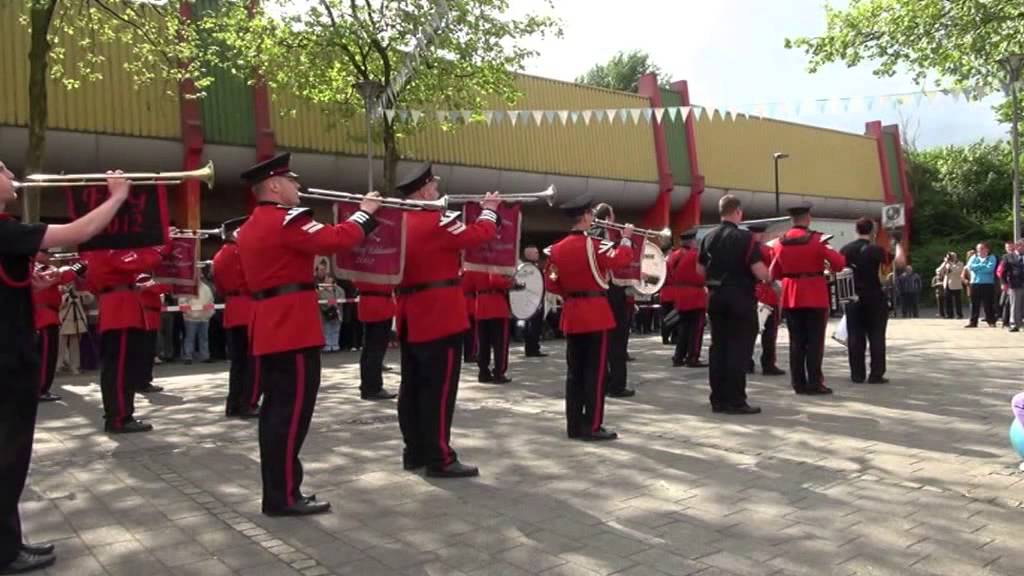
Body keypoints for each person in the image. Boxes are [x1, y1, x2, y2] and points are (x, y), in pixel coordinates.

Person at [1, 159, 131, 574]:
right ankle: (4, 551)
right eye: (2, 171)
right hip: (7, 362)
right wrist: (117, 197)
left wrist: (31, 282)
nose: (11, 177)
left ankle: (8, 542)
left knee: (10, 457)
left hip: (10, 356)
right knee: (8, 457)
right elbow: (78, 233)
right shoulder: (4, 229)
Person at [236, 152, 381, 516]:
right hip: (292, 327)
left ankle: (281, 491)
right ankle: (284, 495)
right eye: (291, 181)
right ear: (274, 185)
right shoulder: (287, 219)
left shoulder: (251, 225)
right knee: (290, 415)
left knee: (277, 413)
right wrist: (365, 212)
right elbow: (335, 239)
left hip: (271, 324)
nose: (297, 186)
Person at [393, 162, 500, 478]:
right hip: (440, 314)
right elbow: (479, 235)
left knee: (412, 386)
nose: (437, 192)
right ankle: (440, 457)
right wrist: (490, 210)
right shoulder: (437, 220)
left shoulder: (398, 223)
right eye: (434, 187)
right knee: (439, 391)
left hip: (411, 313)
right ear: (425, 191)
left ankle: (414, 451)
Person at [545, 194, 633, 440]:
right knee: (596, 373)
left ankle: (574, 425)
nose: (593, 217)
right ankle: (592, 425)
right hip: (595, 313)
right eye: (590, 213)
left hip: (572, 313)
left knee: (574, 373)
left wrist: (572, 293)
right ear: (585, 217)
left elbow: (551, 283)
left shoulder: (555, 249)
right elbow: (621, 260)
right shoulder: (596, 245)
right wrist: (626, 238)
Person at [697, 194, 770, 414]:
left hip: (715, 296)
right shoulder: (746, 238)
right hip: (740, 296)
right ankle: (736, 400)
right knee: (739, 348)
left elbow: (699, 270)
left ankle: (717, 399)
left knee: (718, 347)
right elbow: (759, 270)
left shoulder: (707, 237)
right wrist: (769, 278)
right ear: (738, 212)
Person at [84, 244, 167, 432]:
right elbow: (148, 260)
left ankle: (119, 415)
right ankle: (119, 418)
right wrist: (159, 246)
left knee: (119, 369)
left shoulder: (101, 251)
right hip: (121, 309)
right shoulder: (111, 250)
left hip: (117, 305)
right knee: (121, 369)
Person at [770, 201, 846, 396]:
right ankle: (814, 383)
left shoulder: (779, 242)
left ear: (792, 219)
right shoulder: (818, 240)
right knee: (814, 342)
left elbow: (773, 273)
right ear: (808, 218)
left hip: (791, 296)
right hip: (815, 295)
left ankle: (798, 383)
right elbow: (839, 264)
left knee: (796, 342)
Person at [840, 218, 906, 384]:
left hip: (853, 297)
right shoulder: (876, 250)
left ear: (856, 230)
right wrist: (898, 244)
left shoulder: (845, 250)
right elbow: (900, 263)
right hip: (875, 297)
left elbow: (836, 269)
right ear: (873, 232)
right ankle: (876, 374)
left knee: (855, 336)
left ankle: (857, 374)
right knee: (877, 336)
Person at [212, 218, 260, 418]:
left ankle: (233, 403)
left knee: (238, 362)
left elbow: (219, 287)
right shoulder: (241, 252)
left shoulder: (219, 255)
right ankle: (247, 403)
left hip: (232, 309)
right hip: (248, 308)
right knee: (252, 362)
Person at [591, 203, 635, 398]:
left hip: (598, 293)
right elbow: (618, 260)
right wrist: (626, 239)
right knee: (617, 341)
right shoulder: (604, 234)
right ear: (608, 218)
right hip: (613, 292)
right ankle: (617, 384)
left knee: (601, 343)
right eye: (613, 215)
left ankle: (604, 381)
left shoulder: (590, 235)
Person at [32, 253, 85, 402]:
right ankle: (41, 390)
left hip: (46, 315)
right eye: (45, 252)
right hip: (44, 317)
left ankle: (40, 389)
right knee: (47, 357)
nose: (49, 256)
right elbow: (67, 274)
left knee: (46, 356)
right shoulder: (40, 270)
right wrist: (82, 263)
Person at [747, 224, 785, 376]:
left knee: (748, 331)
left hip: (748, 292)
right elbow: (774, 272)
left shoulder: (744, 250)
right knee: (769, 331)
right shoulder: (768, 250)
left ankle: (747, 363)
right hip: (767, 293)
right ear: (762, 234)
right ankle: (768, 364)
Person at [667, 229, 707, 368]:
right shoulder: (696, 254)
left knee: (684, 328)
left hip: (680, 294)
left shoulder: (674, 255)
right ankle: (692, 357)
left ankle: (678, 356)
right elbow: (702, 275)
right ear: (692, 241)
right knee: (696, 329)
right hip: (695, 295)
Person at [354, 281, 397, 401]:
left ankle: (367, 386)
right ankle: (373, 388)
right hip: (381, 305)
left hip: (368, 303)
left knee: (368, 350)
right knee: (376, 351)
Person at [473, 271, 514, 384]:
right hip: (496, 304)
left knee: (483, 342)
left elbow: (467, 286)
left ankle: (483, 372)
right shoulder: (494, 266)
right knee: (500, 343)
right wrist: (510, 281)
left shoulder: (473, 267)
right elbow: (496, 281)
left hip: (481, 305)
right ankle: (499, 373)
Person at [137, 274, 169, 392]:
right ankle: (144, 382)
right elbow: (162, 288)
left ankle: (143, 380)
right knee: (147, 352)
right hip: (147, 319)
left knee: (148, 352)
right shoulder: (144, 280)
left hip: (152, 317)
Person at [178, 275, 215, 363]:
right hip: (190, 318)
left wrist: (209, 314)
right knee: (190, 338)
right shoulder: (186, 287)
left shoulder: (206, 288)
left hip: (204, 318)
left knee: (204, 338)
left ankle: (205, 356)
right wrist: (190, 314)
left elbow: (211, 301)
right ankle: (188, 357)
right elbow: (182, 302)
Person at [57, 283, 91, 375]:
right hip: (64, 321)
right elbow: (58, 306)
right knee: (60, 346)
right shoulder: (62, 293)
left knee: (75, 346)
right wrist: (65, 295)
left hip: (76, 322)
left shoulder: (79, 294)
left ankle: (74, 366)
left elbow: (89, 300)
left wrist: (80, 293)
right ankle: (58, 366)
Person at [521, 245, 548, 357]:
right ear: (529, 254)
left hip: (536, 299)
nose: (538, 254)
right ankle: (532, 348)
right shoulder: (528, 268)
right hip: (532, 300)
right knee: (533, 325)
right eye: (535, 253)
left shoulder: (534, 267)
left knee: (535, 325)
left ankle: (533, 347)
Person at [965, 243, 997, 328]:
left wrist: (977, 268)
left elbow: (990, 269)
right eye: (978, 249)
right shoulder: (974, 257)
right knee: (974, 304)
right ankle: (973, 322)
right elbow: (969, 267)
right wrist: (983, 265)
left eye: (982, 248)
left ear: (987, 249)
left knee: (988, 304)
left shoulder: (991, 257)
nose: (980, 250)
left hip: (987, 284)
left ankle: (991, 321)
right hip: (975, 283)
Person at [1001, 240, 1024, 331]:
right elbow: (1002, 272)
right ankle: (1014, 324)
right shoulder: (1008, 257)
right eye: (1022, 246)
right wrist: (1004, 283)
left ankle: (1021, 323)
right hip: (1015, 284)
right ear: (1017, 246)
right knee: (1015, 305)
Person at [318, 276, 343, 352]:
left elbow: (342, 296)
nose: (328, 280)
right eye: (326, 279)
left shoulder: (338, 289)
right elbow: (320, 298)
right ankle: (328, 345)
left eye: (329, 278)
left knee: (336, 329)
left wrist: (336, 304)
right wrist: (330, 304)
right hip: (326, 312)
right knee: (327, 329)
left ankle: (335, 345)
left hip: (337, 312)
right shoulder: (321, 290)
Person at [937, 252, 964, 319]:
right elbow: (938, 271)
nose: (949, 258)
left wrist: (951, 263)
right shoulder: (946, 264)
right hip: (947, 284)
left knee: (957, 301)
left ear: (955, 257)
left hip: (956, 284)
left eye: (951, 257)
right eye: (948, 257)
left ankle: (959, 314)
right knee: (947, 300)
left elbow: (957, 271)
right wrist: (944, 263)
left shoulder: (960, 263)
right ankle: (949, 314)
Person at [461, 273, 478, 363]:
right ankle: (471, 354)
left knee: (468, 333)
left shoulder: (461, 275)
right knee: (472, 332)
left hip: (463, 303)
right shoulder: (470, 274)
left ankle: (469, 354)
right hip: (470, 304)